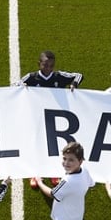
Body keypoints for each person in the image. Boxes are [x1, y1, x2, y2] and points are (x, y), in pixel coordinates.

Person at [22, 51, 80, 188]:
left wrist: (74, 85)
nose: (48, 68)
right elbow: (13, 86)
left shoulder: (58, 76)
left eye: (51, 65)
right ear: (39, 64)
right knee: (38, 143)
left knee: (55, 145)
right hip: (36, 117)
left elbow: (78, 76)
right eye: (45, 65)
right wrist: (21, 87)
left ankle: (54, 172)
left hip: (55, 118)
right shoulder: (31, 77)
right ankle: (36, 173)